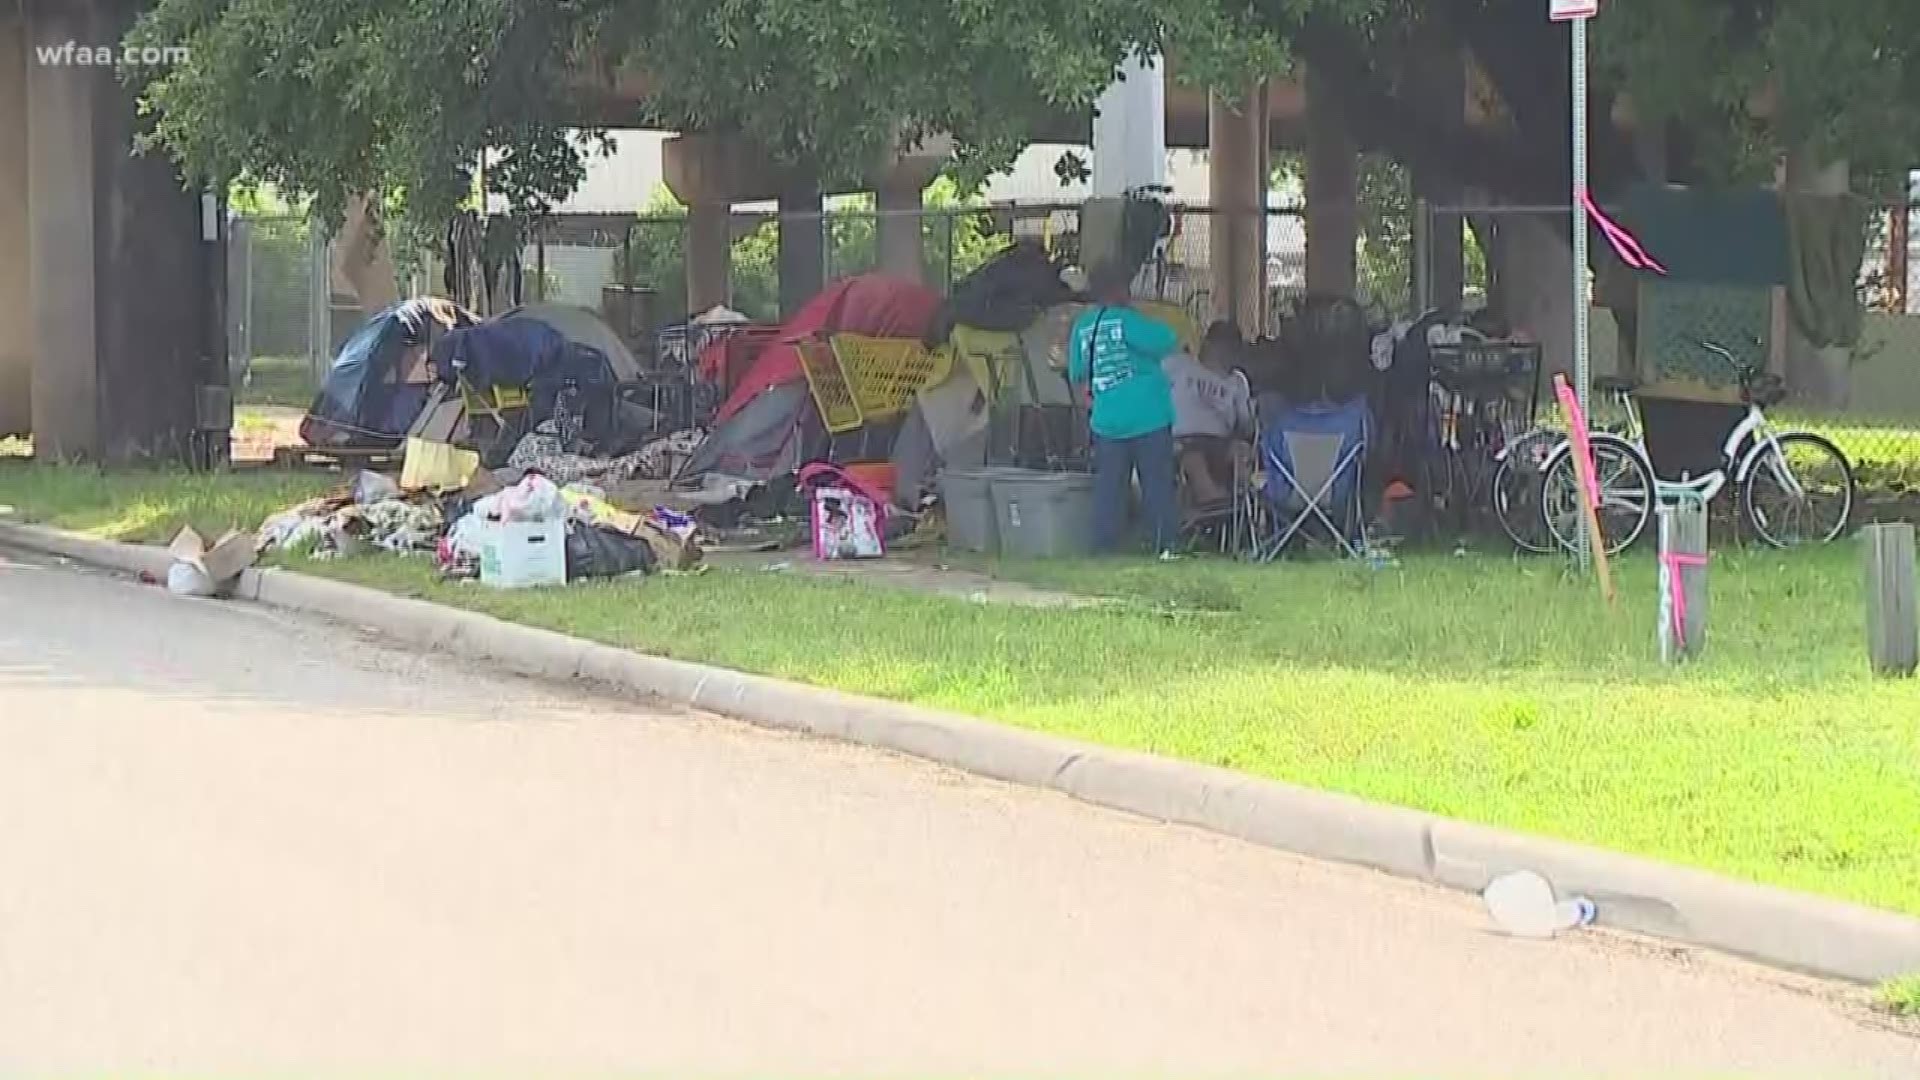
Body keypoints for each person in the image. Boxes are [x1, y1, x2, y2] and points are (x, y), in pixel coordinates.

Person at [1068, 264, 1181, 556]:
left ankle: (1104, 547)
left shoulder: (1083, 327)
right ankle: (1162, 545)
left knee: (1109, 487)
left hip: (1106, 419)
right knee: (1155, 484)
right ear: (1119, 290)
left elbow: (1077, 369)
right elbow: (1166, 339)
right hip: (1148, 416)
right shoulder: (1129, 321)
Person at [1165, 321, 1255, 509]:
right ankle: (1212, 501)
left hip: (1221, 440)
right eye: (1220, 344)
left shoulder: (1237, 382)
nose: (1224, 351)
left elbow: (1246, 424)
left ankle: (1243, 504)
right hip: (1183, 439)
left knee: (1241, 452)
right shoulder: (1180, 365)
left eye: (1230, 346)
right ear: (1207, 343)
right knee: (1192, 455)